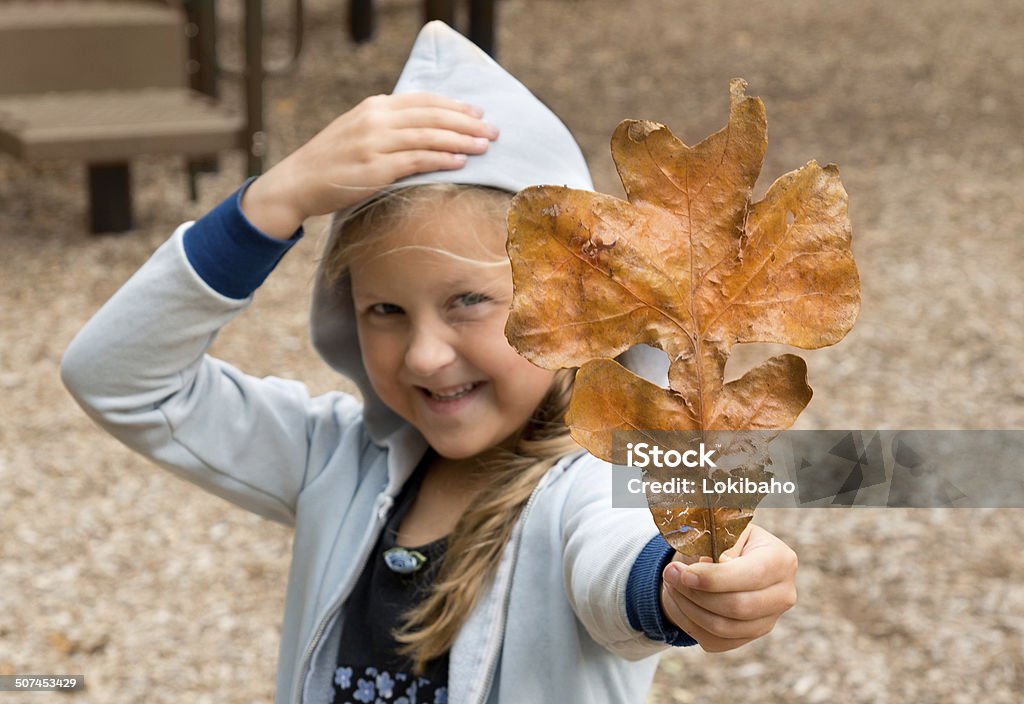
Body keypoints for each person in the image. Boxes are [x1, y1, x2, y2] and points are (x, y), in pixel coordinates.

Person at [62, 22, 797, 704]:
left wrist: (681, 586)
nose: (423, 354)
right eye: (385, 311)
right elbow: (118, 377)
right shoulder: (329, 459)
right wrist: (271, 202)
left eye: (469, 301)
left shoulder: (601, 480)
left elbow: (624, 557)